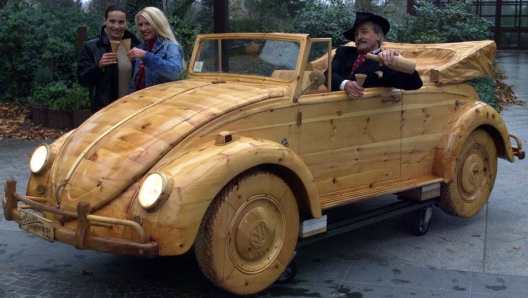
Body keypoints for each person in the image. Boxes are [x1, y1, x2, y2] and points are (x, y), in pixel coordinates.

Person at [329, 12, 423, 98]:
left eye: (364, 32)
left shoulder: (387, 61)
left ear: (378, 35)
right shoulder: (344, 52)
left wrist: (399, 60)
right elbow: (328, 75)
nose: (359, 37)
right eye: (356, 34)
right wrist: (345, 84)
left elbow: (414, 84)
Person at [77, 4, 141, 113]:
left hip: (132, 109)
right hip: (105, 110)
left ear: (126, 22)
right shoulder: (92, 46)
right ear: (105, 21)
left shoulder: (134, 44)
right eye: (112, 21)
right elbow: (82, 80)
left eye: (121, 22)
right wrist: (99, 66)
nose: (116, 26)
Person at [128, 7, 186, 93]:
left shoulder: (171, 46)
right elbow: (135, 83)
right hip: (140, 102)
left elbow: (175, 73)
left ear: (158, 24)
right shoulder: (141, 48)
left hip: (159, 103)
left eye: (148, 23)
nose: (143, 28)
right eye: (140, 24)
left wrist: (146, 56)